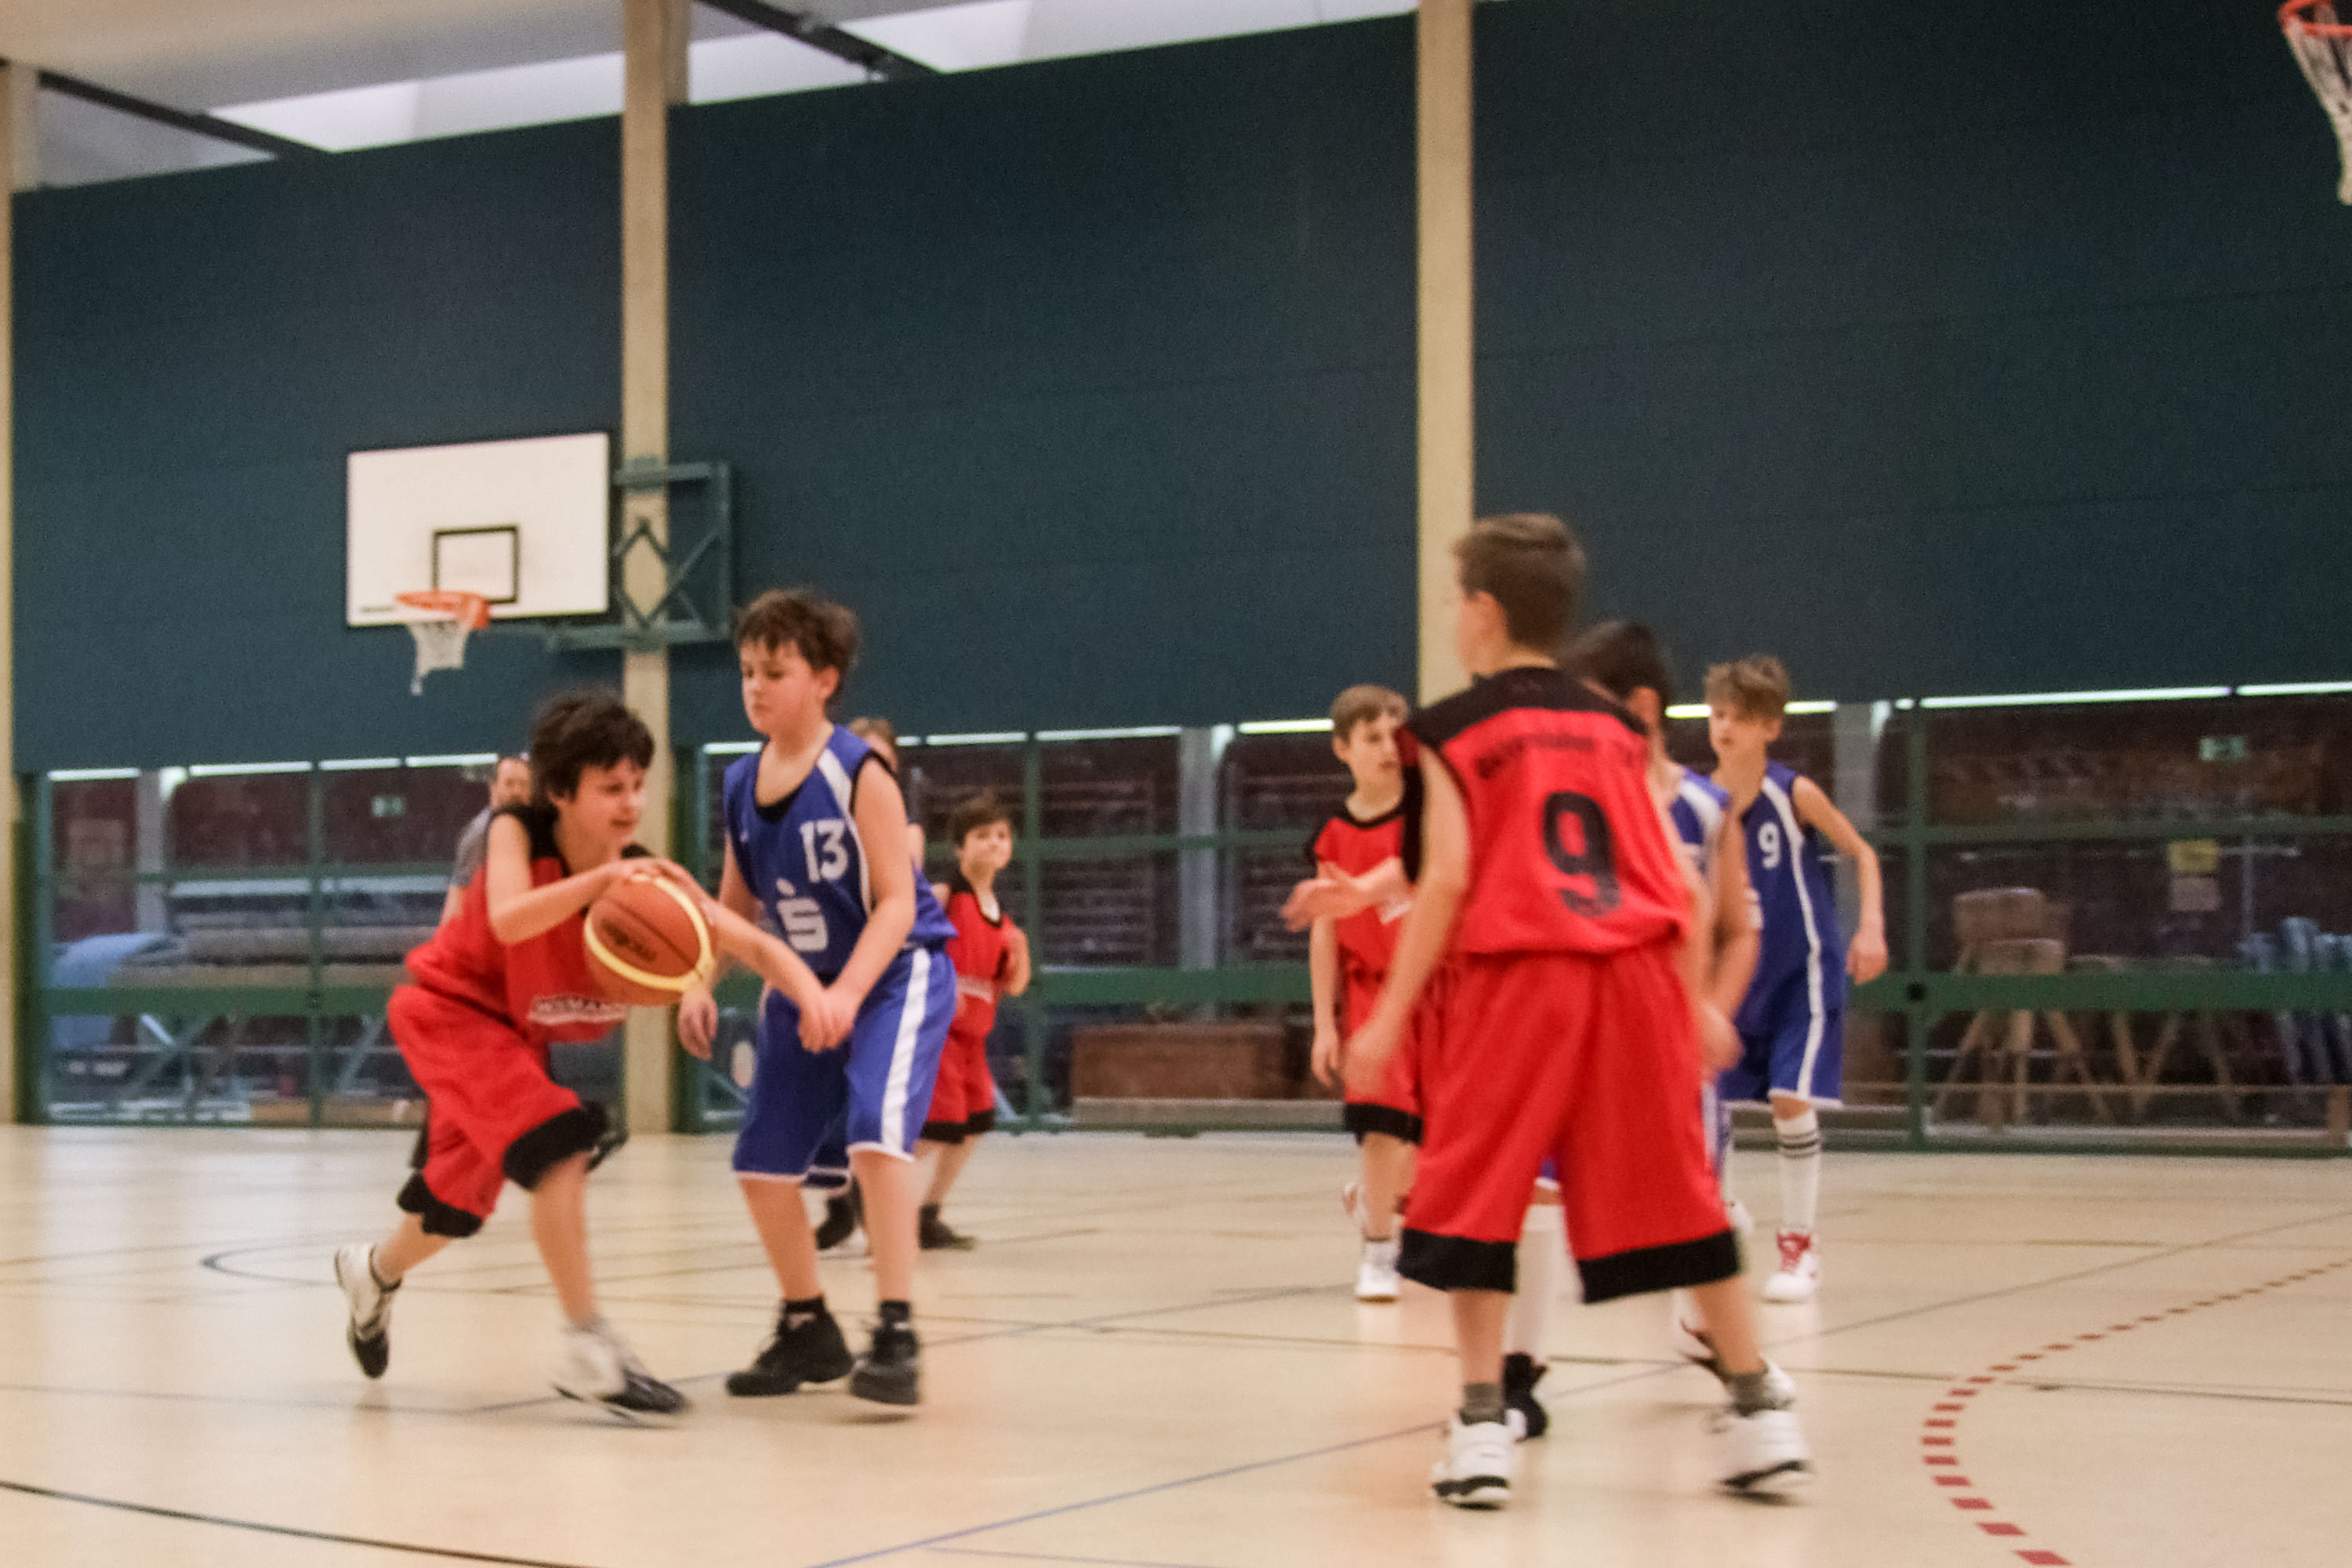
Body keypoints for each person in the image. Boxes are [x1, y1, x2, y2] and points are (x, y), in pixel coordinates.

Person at [1342, 513, 1809, 1508]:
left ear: (1483, 611)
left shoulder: (1452, 731)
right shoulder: (1616, 730)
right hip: (1631, 976)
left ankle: (1481, 1423)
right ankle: (1760, 1407)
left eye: (1453, 598)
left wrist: (1386, 1018)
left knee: (1476, 1197)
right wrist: (1690, 1001)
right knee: (1683, 1195)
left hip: (1517, 977)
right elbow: (1678, 886)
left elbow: (1448, 879)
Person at [332, 693, 810, 1422]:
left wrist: (817, 996)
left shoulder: (639, 880)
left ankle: (372, 1273)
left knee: (454, 1207)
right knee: (560, 1145)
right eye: (611, 788)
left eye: (638, 785)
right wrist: (599, 883)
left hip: (513, 1037)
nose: (632, 803)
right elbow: (509, 917)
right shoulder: (515, 831)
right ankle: (588, 1346)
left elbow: (745, 939)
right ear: (560, 791)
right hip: (451, 1014)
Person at [678, 590, 958, 1408]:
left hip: (894, 972)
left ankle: (896, 1328)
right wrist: (699, 981)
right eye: (747, 671)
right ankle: (807, 1322)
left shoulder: (859, 771)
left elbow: (897, 903)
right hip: (806, 987)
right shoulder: (739, 781)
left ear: (825, 680)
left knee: (876, 1135)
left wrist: (847, 989)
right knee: (762, 1166)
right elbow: (735, 907)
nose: (755, 686)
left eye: (775, 671)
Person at [1706, 655, 1887, 1305]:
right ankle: (1720, 1209)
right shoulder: (1702, 803)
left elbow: (1862, 852)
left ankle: (1800, 1246)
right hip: (1735, 974)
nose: (1725, 728)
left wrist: (1871, 927)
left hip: (1800, 973)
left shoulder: (1793, 793)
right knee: (1708, 1099)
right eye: (1717, 715)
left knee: (1789, 1098)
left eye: (1739, 718)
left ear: (1770, 728)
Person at [1300, 684, 1419, 1302]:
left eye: (1396, 736)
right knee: (1381, 1122)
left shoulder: (1425, 819)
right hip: (1371, 991)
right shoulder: (1334, 835)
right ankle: (1377, 1252)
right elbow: (1324, 932)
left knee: (1435, 1140)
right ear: (1343, 748)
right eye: (1373, 738)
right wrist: (1326, 1023)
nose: (1388, 749)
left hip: (1434, 990)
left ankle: (1380, 1199)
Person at [913, 789, 1031, 1250]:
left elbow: (1015, 985)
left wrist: (1021, 954)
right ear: (959, 848)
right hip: (938, 1032)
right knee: (939, 1129)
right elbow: (907, 949)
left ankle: (928, 1214)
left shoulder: (1004, 922)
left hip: (973, 1039)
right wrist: (939, 990)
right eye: (982, 835)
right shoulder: (944, 896)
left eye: (1002, 835)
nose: (994, 842)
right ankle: (872, 1181)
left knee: (976, 1122)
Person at [439, 754, 532, 926]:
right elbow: (460, 893)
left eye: (523, 784)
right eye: (510, 783)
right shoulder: (481, 833)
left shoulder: (528, 828)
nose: (517, 791)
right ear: (493, 786)